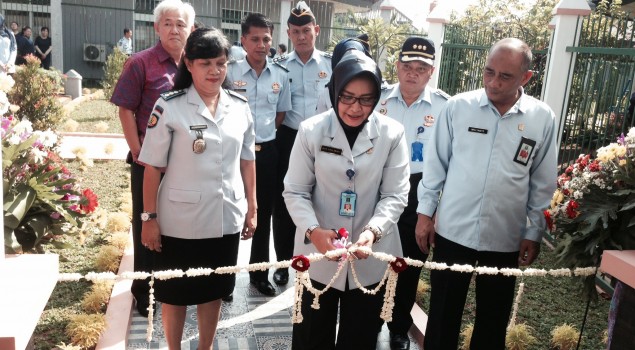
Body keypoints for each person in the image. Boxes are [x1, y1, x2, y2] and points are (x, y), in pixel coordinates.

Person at [417, 37, 557, 350]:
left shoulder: (541, 117)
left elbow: (543, 180)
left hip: (504, 236)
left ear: (526, 78)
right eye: (488, 72)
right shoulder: (458, 107)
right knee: (442, 317)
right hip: (453, 231)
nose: (494, 82)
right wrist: (425, 214)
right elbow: (435, 164)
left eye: (505, 76)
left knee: (493, 321)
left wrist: (534, 231)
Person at [139, 26, 257, 350]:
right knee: (174, 293)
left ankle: (205, 347)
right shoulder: (169, 106)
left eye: (221, 63)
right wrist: (149, 218)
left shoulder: (240, 106)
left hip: (224, 217)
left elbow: (248, 161)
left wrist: (252, 207)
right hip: (179, 221)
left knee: (214, 289)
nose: (214, 71)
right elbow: (152, 167)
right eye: (205, 63)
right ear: (188, 64)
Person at [284, 54, 410, 350]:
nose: (356, 108)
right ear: (334, 92)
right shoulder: (311, 131)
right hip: (318, 254)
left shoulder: (392, 134)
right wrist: (313, 231)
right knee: (311, 337)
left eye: (366, 99)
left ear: (378, 97)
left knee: (360, 337)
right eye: (347, 97)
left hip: (370, 256)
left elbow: (395, 194)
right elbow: (295, 191)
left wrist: (373, 232)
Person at [109, 0, 195, 318]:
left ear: (191, 29)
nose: (174, 29)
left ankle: (174, 286)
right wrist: (138, 152)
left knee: (176, 227)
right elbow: (126, 109)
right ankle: (145, 291)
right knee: (147, 224)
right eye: (168, 23)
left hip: (186, 166)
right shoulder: (140, 63)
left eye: (181, 24)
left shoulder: (196, 65)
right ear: (156, 27)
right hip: (149, 165)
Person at [376, 36, 449, 350]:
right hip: (376, 186)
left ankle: (398, 326)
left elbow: (447, 160)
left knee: (408, 261)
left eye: (421, 68)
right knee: (372, 256)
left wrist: (431, 211)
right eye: (407, 66)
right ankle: (367, 319)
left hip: (420, 190)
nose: (413, 73)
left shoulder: (445, 107)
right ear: (397, 66)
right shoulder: (378, 99)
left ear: (430, 72)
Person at [226, 12, 291, 296]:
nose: (261, 45)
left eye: (266, 39)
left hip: (265, 154)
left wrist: (258, 141)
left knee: (262, 214)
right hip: (230, 154)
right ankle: (224, 279)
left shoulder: (281, 75)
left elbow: (280, 114)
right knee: (227, 215)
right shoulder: (228, 72)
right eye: (255, 39)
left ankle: (258, 273)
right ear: (243, 40)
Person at [272, 0, 332, 287]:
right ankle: (285, 263)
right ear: (289, 34)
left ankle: (321, 258)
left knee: (322, 199)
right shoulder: (280, 67)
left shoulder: (333, 65)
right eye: (295, 32)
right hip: (290, 138)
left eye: (306, 30)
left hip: (326, 140)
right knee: (286, 203)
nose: (301, 36)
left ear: (316, 30)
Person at [315, 34, 371, 114]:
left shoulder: (375, 88)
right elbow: (319, 122)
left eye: (356, 59)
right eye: (346, 59)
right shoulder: (328, 92)